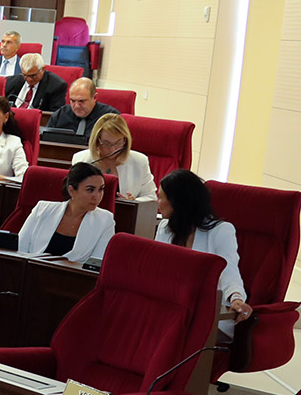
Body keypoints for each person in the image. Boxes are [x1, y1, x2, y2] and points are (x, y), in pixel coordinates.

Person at [156, 169, 252, 336]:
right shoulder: (165, 227)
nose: (157, 202)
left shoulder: (221, 231)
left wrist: (236, 298)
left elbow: (229, 271)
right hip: (172, 307)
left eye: (160, 197)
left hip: (207, 315)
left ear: (177, 202)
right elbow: (157, 270)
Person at [17, 162, 115, 263]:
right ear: (71, 190)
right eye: (90, 190)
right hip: (33, 269)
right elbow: (20, 248)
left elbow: (96, 264)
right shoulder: (42, 209)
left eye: (101, 189)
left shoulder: (105, 220)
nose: (97, 196)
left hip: (74, 273)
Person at [85, 112, 156, 198]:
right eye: (106, 143)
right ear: (96, 140)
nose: (113, 149)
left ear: (125, 141)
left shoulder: (140, 161)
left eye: (118, 143)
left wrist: (133, 202)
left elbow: (151, 197)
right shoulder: (82, 160)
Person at [45, 77, 117, 139]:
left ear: (94, 98)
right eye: (73, 101)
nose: (76, 106)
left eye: (81, 101)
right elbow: (46, 138)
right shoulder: (60, 114)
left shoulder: (110, 118)